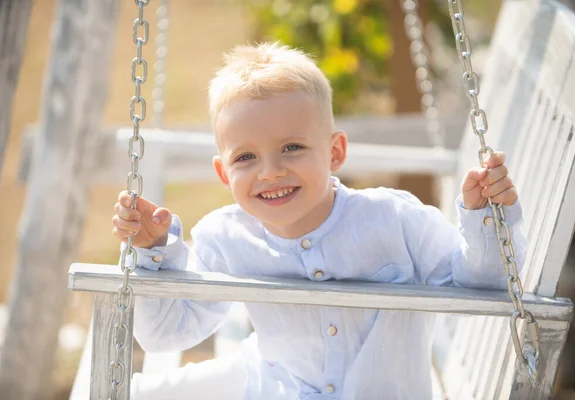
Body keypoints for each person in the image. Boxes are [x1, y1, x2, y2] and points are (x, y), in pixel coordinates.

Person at [112, 42, 526, 400]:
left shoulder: (394, 220)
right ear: (224, 174)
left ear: (335, 153)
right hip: (269, 386)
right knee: (118, 390)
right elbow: (166, 334)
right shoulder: (226, 237)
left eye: (291, 147)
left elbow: (486, 282)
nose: (270, 171)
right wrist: (152, 253)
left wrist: (485, 217)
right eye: (246, 157)